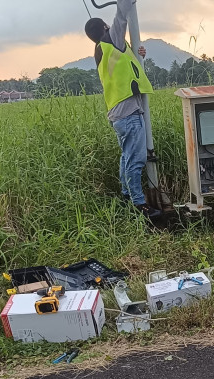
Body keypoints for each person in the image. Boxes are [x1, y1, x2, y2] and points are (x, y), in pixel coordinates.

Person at [84, 0, 160, 218]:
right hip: (128, 112)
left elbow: (125, 67)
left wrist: (138, 55)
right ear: (106, 29)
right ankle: (139, 205)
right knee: (135, 160)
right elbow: (122, 12)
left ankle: (127, 197)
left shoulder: (104, 49)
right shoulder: (111, 40)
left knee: (126, 158)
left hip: (119, 112)